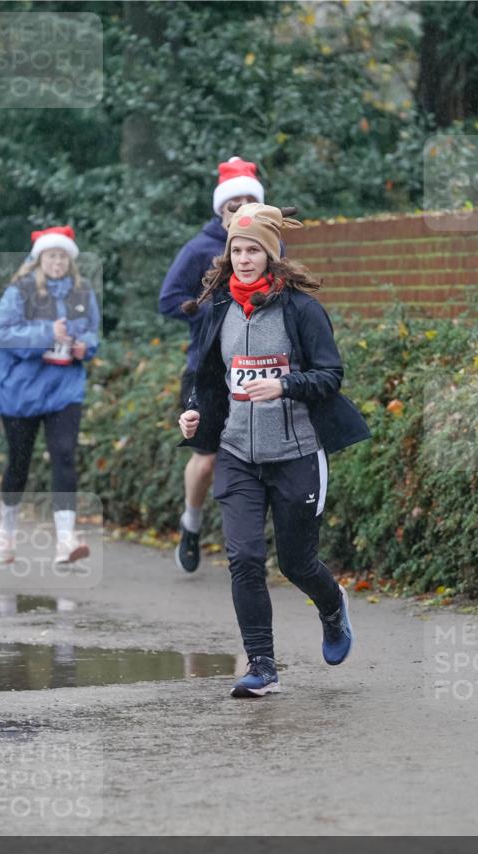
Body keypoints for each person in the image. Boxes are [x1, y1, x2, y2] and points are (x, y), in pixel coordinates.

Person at [179, 203, 370, 698]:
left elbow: (330, 376)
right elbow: (204, 380)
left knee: (297, 564)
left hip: (297, 452)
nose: (244, 259)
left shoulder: (301, 310)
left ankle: (331, 606)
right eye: (237, 251)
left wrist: (284, 385)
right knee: (243, 558)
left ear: (271, 254)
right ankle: (261, 665)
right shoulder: (219, 308)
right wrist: (193, 412)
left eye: (254, 250)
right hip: (238, 452)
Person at [159, 156, 265, 573]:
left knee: (254, 456)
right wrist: (215, 312)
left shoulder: (270, 248)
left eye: (247, 201)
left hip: (254, 367)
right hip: (205, 367)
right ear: (219, 210)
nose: (239, 209)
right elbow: (168, 300)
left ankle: (244, 543)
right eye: (232, 203)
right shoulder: (199, 249)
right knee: (207, 459)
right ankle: (191, 522)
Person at [0, 225, 100, 566]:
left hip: (64, 388)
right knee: (19, 463)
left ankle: (66, 540)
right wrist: (46, 333)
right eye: (52, 256)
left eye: (63, 256)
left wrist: (86, 347)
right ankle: (6, 534)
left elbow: (93, 332)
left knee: (64, 455)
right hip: (20, 390)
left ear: (70, 259)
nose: (57, 262)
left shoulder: (81, 291)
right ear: (39, 260)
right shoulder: (21, 290)